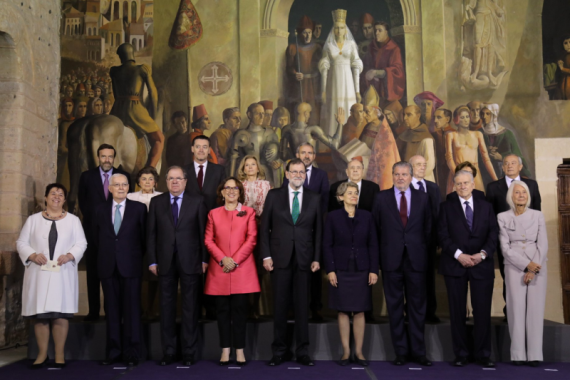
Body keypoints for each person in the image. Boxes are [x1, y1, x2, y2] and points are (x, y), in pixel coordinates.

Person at [17, 184, 87, 369]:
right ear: (46, 198)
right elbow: (21, 242)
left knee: (60, 315)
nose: (57, 197)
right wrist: (32, 255)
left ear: (64, 200)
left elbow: (81, 243)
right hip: (39, 273)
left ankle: (59, 354)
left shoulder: (73, 221)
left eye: (61, 194)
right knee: (40, 315)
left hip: (62, 272)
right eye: (53, 193)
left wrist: (70, 255)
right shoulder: (33, 220)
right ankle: (41, 355)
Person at [261, 158, 322, 366]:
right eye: (294, 172)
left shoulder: (314, 198)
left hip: (305, 259)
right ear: (286, 174)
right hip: (279, 258)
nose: (298, 175)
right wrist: (266, 256)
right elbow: (264, 228)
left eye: (301, 172)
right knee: (279, 306)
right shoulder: (274, 195)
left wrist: (316, 257)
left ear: (305, 175)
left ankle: (302, 351)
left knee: (302, 306)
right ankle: (279, 351)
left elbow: (319, 231)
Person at [371, 161, 432, 366]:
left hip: (416, 261)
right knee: (395, 308)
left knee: (417, 308)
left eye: (404, 174)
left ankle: (419, 352)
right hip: (391, 261)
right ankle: (401, 353)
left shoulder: (423, 198)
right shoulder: (381, 198)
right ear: (392, 175)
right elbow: (376, 231)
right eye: (397, 174)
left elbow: (428, 230)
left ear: (411, 176)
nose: (400, 178)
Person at [147, 166, 207, 366]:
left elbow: (202, 234)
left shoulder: (197, 201)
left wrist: (204, 260)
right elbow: (151, 234)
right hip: (164, 262)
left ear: (185, 181)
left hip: (191, 261)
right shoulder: (156, 202)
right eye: (171, 178)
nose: (175, 182)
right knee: (166, 308)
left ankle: (189, 352)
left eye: (178, 178)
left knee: (190, 308)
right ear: (165, 181)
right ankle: (170, 352)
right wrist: (153, 260)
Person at [438, 170, 498, 368]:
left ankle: (483, 354)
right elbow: (442, 235)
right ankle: (461, 354)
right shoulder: (446, 207)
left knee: (482, 311)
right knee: (457, 312)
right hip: (455, 265)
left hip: (482, 265)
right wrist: (459, 255)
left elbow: (493, 234)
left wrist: (482, 254)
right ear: (454, 186)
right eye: (459, 184)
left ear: (473, 185)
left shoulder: (486, 207)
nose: (463, 186)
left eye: (466, 183)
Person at [204, 177, 260, 366]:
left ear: (240, 192)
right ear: (221, 192)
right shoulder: (213, 213)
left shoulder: (249, 212)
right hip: (219, 269)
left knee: (240, 312)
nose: (231, 191)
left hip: (241, 269)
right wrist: (223, 259)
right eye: (227, 188)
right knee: (222, 312)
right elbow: (208, 240)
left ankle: (240, 351)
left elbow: (251, 239)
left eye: (234, 188)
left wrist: (234, 261)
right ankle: (225, 351)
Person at [94, 174, 147, 367]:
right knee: (112, 311)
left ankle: (132, 353)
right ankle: (114, 352)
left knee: (132, 312)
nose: (121, 188)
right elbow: (96, 238)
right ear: (110, 188)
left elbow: (144, 239)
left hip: (131, 266)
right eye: (117, 185)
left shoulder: (139, 208)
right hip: (108, 266)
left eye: (124, 184)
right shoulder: (99, 209)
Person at [324, 182, 379, 366]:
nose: (354, 195)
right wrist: (330, 270)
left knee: (360, 310)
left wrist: (373, 270)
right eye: (350, 193)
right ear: (340, 197)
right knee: (343, 310)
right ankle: (346, 351)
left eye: (356, 193)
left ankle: (359, 352)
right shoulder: (332, 217)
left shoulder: (367, 216)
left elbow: (373, 244)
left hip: (362, 269)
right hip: (340, 269)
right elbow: (327, 245)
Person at [78, 144, 131, 321]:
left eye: (110, 156)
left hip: (116, 233)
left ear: (114, 158)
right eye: (103, 156)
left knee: (114, 274)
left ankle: (112, 312)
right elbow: (83, 202)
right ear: (98, 157)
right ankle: (93, 311)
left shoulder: (123, 177)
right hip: (92, 233)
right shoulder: (87, 177)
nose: (107, 160)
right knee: (93, 272)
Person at [497, 181, 548, 367]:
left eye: (524, 193)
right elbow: (505, 248)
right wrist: (526, 265)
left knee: (535, 310)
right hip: (514, 266)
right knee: (515, 309)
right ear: (511, 196)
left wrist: (533, 269)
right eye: (517, 193)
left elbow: (543, 245)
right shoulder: (502, 217)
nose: (521, 195)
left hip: (538, 266)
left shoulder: (538, 215)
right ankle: (517, 354)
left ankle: (535, 354)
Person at [486, 154, 541, 320]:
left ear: (520, 166)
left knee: (529, 273)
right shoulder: (493, 187)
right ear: (502, 168)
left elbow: (537, 212)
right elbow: (490, 216)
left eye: (513, 163)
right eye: (506, 163)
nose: (509, 166)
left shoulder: (531, 185)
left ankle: (529, 312)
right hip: (506, 242)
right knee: (509, 276)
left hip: (529, 242)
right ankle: (510, 311)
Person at [282, 143, 329, 321]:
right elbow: (283, 199)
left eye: (310, 153)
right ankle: (292, 309)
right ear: (297, 153)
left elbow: (323, 202)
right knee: (293, 272)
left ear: (314, 156)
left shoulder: (321, 175)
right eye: (303, 152)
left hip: (313, 231)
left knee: (314, 273)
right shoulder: (287, 174)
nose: (307, 156)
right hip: (293, 231)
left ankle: (315, 309)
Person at [110, 43, 164, 167]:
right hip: (135, 110)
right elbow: (153, 94)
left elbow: (115, 94)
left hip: (117, 110)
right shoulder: (141, 69)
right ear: (132, 54)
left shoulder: (114, 71)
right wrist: (153, 116)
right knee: (159, 139)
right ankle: (149, 169)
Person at [319, 9, 363, 136]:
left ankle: (348, 136)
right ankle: (334, 137)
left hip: (348, 81)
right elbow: (324, 68)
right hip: (333, 81)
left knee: (348, 106)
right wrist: (323, 90)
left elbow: (356, 66)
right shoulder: (328, 46)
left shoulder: (351, 45)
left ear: (345, 29)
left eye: (342, 28)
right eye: (337, 28)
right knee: (334, 107)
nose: (339, 30)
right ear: (334, 29)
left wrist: (357, 90)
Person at [237, 155, 272, 317]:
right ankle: (243, 306)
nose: (250, 167)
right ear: (243, 169)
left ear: (258, 168)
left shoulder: (266, 185)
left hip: (261, 227)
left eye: (253, 164)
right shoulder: (239, 186)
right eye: (247, 165)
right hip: (242, 229)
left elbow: (270, 208)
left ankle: (255, 307)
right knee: (244, 266)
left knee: (258, 267)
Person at [127, 167, 162, 318]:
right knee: (137, 275)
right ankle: (138, 309)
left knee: (154, 276)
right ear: (138, 182)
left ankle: (151, 308)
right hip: (134, 242)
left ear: (155, 182)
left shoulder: (162, 197)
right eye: (144, 179)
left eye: (150, 179)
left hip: (157, 242)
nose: (147, 182)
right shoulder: (130, 197)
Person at [409, 155, 441, 323]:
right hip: (410, 244)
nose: (422, 167)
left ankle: (430, 312)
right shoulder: (404, 187)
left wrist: (437, 241)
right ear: (410, 167)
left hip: (429, 243)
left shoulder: (433, 188)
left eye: (424, 164)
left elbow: (437, 215)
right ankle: (412, 312)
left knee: (429, 279)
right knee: (412, 279)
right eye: (418, 164)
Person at [445, 105, 497, 193]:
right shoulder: (451, 135)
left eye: (467, 117)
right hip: (457, 172)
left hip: (475, 175)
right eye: (462, 117)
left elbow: (486, 159)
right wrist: (458, 175)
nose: (466, 120)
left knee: (477, 201)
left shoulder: (478, 134)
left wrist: (495, 179)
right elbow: (449, 158)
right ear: (457, 119)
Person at [286, 16, 322, 126]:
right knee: (299, 111)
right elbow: (289, 67)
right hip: (300, 85)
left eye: (309, 33)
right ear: (300, 34)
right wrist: (295, 74)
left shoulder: (317, 48)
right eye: (305, 33)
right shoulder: (293, 47)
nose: (307, 36)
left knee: (314, 113)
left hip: (313, 85)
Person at [480, 103, 531, 181]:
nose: (484, 117)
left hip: (503, 172)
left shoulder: (507, 133)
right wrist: (487, 150)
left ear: (494, 115)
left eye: (488, 114)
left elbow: (516, 154)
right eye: (482, 114)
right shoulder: (480, 132)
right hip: (485, 173)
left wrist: (501, 157)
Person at [361, 21, 405, 109]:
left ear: (386, 32)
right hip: (372, 92)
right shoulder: (372, 47)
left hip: (386, 95)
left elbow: (397, 71)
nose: (376, 33)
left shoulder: (394, 48)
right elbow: (365, 66)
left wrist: (377, 73)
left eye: (379, 30)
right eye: (375, 30)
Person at [184, 135, 226, 212]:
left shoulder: (219, 170)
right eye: (198, 147)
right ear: (192, 149)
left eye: (204, 147)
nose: (201, 150)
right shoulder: (183, 171)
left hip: (213, 215)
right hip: (189, 216)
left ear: (209, 150)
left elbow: (223, 195)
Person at [398, 105, 436, 182]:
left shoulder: (426, 138)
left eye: (409, 115)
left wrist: (414, 179)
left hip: (422, 180)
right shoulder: (403, 135)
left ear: (418, 116)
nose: (405, 118)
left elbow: (429, 165)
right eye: (404, 115)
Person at [432, 108, 455, 195]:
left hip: (450, 171)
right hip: (438, 171)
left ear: (447, 119)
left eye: (439, 117)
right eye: (434, 117)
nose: (435, 120)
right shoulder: (435, 134)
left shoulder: (454, 134)